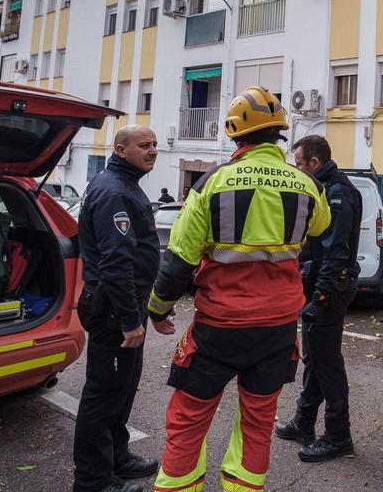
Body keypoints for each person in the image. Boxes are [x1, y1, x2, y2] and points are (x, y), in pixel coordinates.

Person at [147, 87, 331, 492]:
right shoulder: (307, 184)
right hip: (278, 330)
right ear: (279, 133)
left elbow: (179, 260)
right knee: (258, 423)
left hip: (220, 327)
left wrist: (158, 309)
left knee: (188, 419)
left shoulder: (212, 184)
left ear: (235, 135)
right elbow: (319, 228)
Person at [72, 125, 164, 492]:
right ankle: (93, 480)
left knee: (123, 388)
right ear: (121, 149)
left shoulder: (124, 184)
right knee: (103, 393)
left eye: (155, 144)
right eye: (145, 145)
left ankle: (117, 458)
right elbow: (115, 262)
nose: (153, 150)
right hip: (114, 309)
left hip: (126, 304)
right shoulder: (114, 191)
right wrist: (130, 320)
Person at [275, 135, 363, 462]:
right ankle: (304, 421)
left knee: (328, 364)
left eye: (299, 163)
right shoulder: (322, 188)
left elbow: (336, 253)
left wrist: (322, 296)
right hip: (316, 286)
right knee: (315, 358)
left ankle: (339, 436)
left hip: (330, 288)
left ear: (314, 162)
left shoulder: (339, 192)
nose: (297, 169)